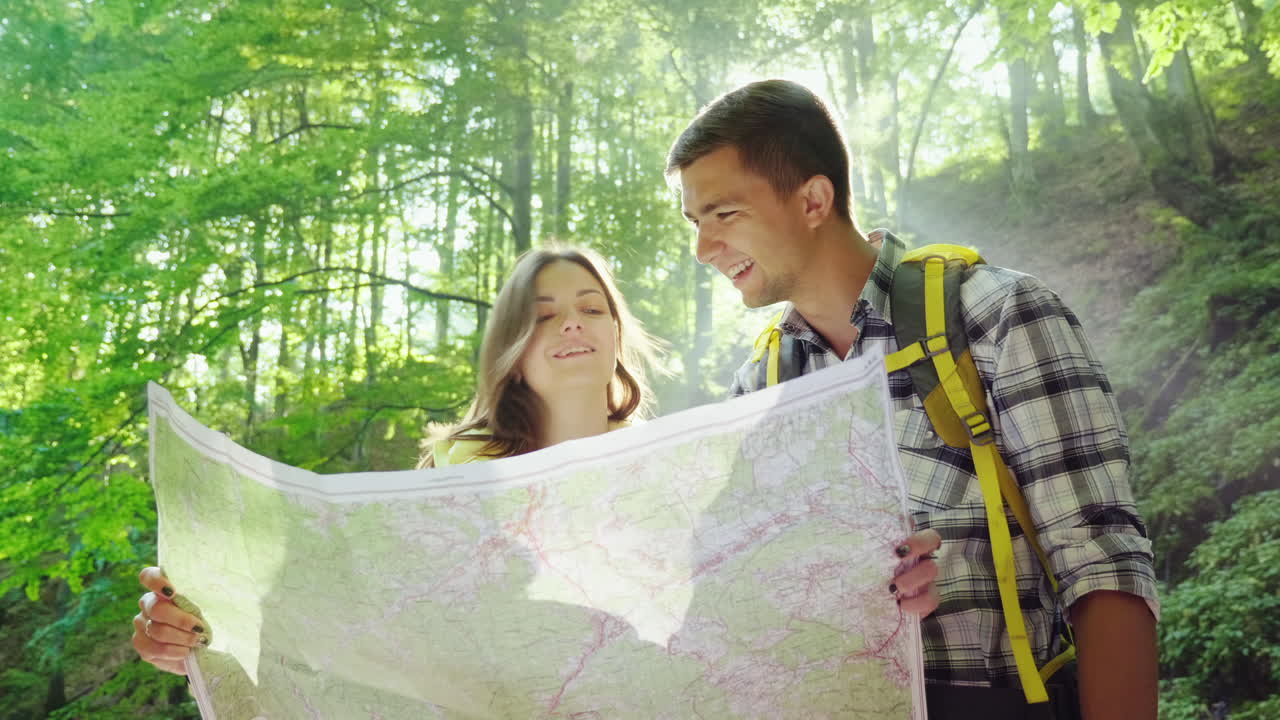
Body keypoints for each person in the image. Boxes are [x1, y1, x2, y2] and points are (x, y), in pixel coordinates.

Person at [131, 243, 941, 677]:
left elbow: (745, 630)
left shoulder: (682, 477)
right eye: (544, 313)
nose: (573, 324)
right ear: (512, 353)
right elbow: (361, 629)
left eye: (593, 308)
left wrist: (881, 587)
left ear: (618, 336)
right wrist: (196, 632)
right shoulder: (454, 473)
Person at [666, 79, 1159, 720]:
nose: (704, 250)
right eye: (695, 224)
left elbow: (1103, 565)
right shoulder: (756, 388)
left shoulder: (996, 314)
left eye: (724, 215)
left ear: (813, 199)